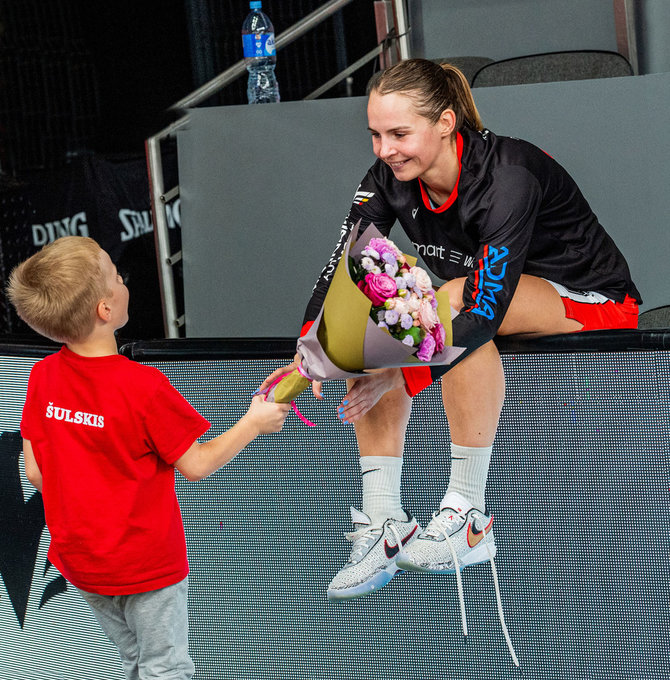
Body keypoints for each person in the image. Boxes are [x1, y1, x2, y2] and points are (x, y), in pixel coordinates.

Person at [259, 59, 640, 602]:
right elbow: (342, 269)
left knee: (446, 303)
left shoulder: (508, 176)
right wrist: (309, 352)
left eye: (398, 134)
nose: (384, 150)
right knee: (373, 324)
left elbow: (482, 310)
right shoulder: (387, 181)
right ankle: (383, 519)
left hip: (593, 300)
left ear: (444, 122)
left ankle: (467, 516)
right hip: (487, 299)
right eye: (375, 135)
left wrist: (399, 375)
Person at [7, 236, 290, 680]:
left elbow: (36, 472)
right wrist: (253, 423)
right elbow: (196, 464)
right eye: (115, 276)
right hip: (147, 568)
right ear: (105, 309)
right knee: (165, 667)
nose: (123, 280)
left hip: (81, 563)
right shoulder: (143, 386)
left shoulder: (42, 376)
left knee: (135, 659)